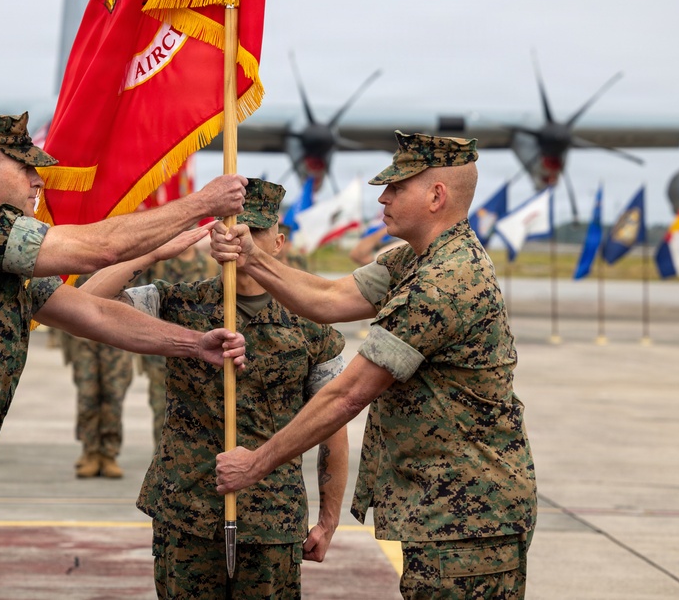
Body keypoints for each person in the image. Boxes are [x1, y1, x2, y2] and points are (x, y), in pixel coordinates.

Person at [0, 112, 248, 600]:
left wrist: (189, 342)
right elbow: (97, 249)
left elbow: (92, 312)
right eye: (26, 167)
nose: (38, 180)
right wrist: (202, 203)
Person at [211, 133, 537, 600]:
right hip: (450, 513)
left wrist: (255, 463)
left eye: (397, 187)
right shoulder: (417, 260)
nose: (382, 196)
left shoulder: (445, 282)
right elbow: (327, 299)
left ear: (436, 196)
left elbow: (349, 394)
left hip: (469, 521)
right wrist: (254, 258)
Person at [81, 179, 349, 599]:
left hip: (271, 518)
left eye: (253, 231)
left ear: (277, 242)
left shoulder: (310, 322)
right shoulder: (179, 302)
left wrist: (329, 518)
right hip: (187, 510)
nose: (237, 238)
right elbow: (87, 301)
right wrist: (151, 252)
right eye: (227, 227)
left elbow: (333, 423)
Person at [134, 233, 218, 449]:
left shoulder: (209, 265)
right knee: (161, 409)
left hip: (203, 355)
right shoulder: (161, 266)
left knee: (201, 414)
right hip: (162, 354)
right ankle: (162, 455)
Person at [61, 273, 134, 479]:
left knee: (114, 395)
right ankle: (90, 451)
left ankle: (108, 454)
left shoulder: (126, 246)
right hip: (83, 336)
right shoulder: (79, 244)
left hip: (118, 332)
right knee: (87, 395)